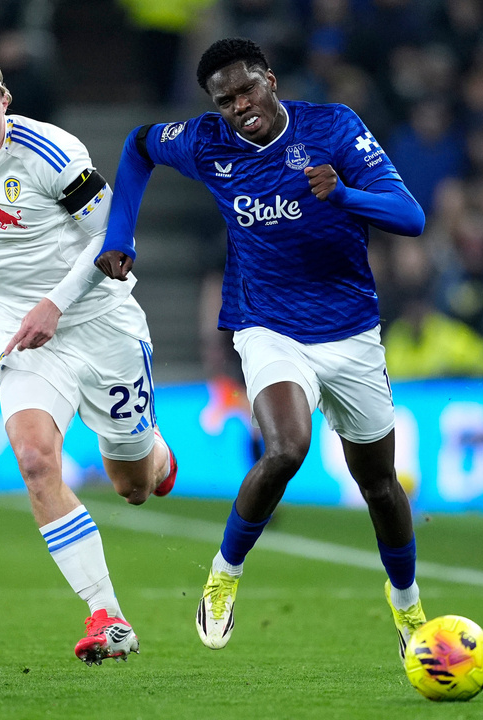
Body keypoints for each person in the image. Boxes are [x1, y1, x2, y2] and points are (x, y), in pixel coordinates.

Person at [96, 37, 427, 660]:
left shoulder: (332, 129)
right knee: (286, 449)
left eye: (248, 90)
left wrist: (346, 195)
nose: (240, 106)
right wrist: (121, 235)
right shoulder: (204, 142)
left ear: (270, 80)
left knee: (379, 485)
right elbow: (139, 146)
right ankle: (224, 576)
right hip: (267, 323)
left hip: (351, 329)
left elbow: (410, 217)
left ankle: (408, 607)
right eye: (225, 100)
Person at [0, 49, 178, 665]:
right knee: (35, 459)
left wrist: (54, 306)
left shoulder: (51, 154)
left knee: (134, 486)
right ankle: (107, 617)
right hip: (19, 331)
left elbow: (115, 237)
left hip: (101, 325)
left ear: (5, 100)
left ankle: (156, 453)